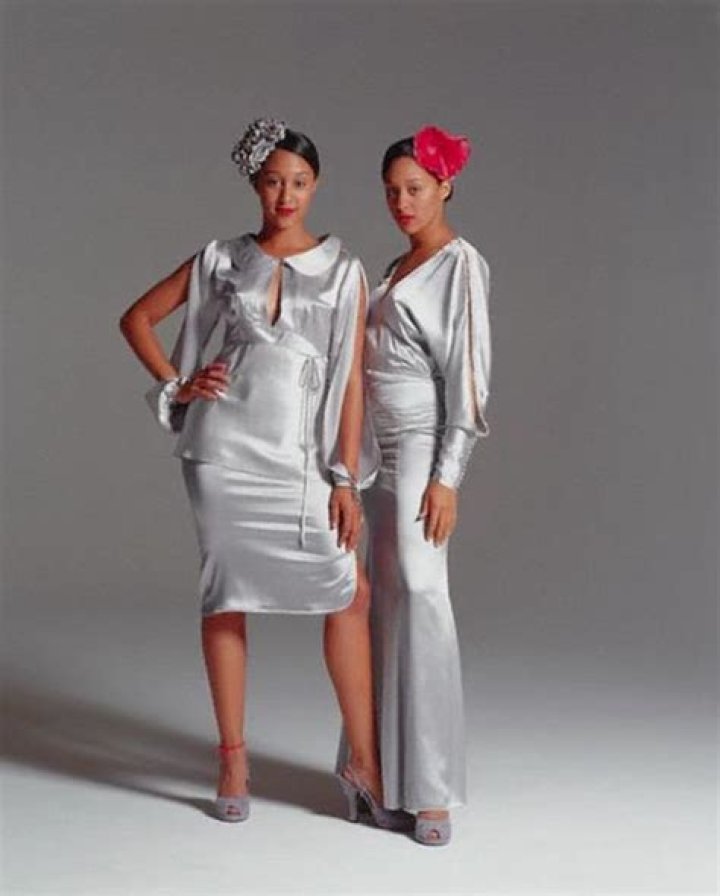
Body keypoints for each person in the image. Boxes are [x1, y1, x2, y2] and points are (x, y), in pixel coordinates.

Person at [119, 118, 407, 830]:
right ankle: (232, 759)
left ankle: (363, 762)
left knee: (349, 593)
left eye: (300, 182)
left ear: (317, 186)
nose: (286, 195)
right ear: (255, 183)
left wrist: (345, 478)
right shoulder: (221, 259)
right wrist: (180, 383)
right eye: (274, 181)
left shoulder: (343, 268)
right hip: (223, 453)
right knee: (225, 596)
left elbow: (349, 379)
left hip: (303, 456)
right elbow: (138, 319)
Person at [361, 125, 492, 845]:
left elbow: (467, 378)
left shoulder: (459, 264)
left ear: (446, 187)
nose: (402, 203)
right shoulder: (396, 265)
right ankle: (378, 773)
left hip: (419, 446)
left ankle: (432, 788)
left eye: (414, 188)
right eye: (391, 192)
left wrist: (447, 477)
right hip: (373, 452)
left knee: (421, 590)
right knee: (380, 602)